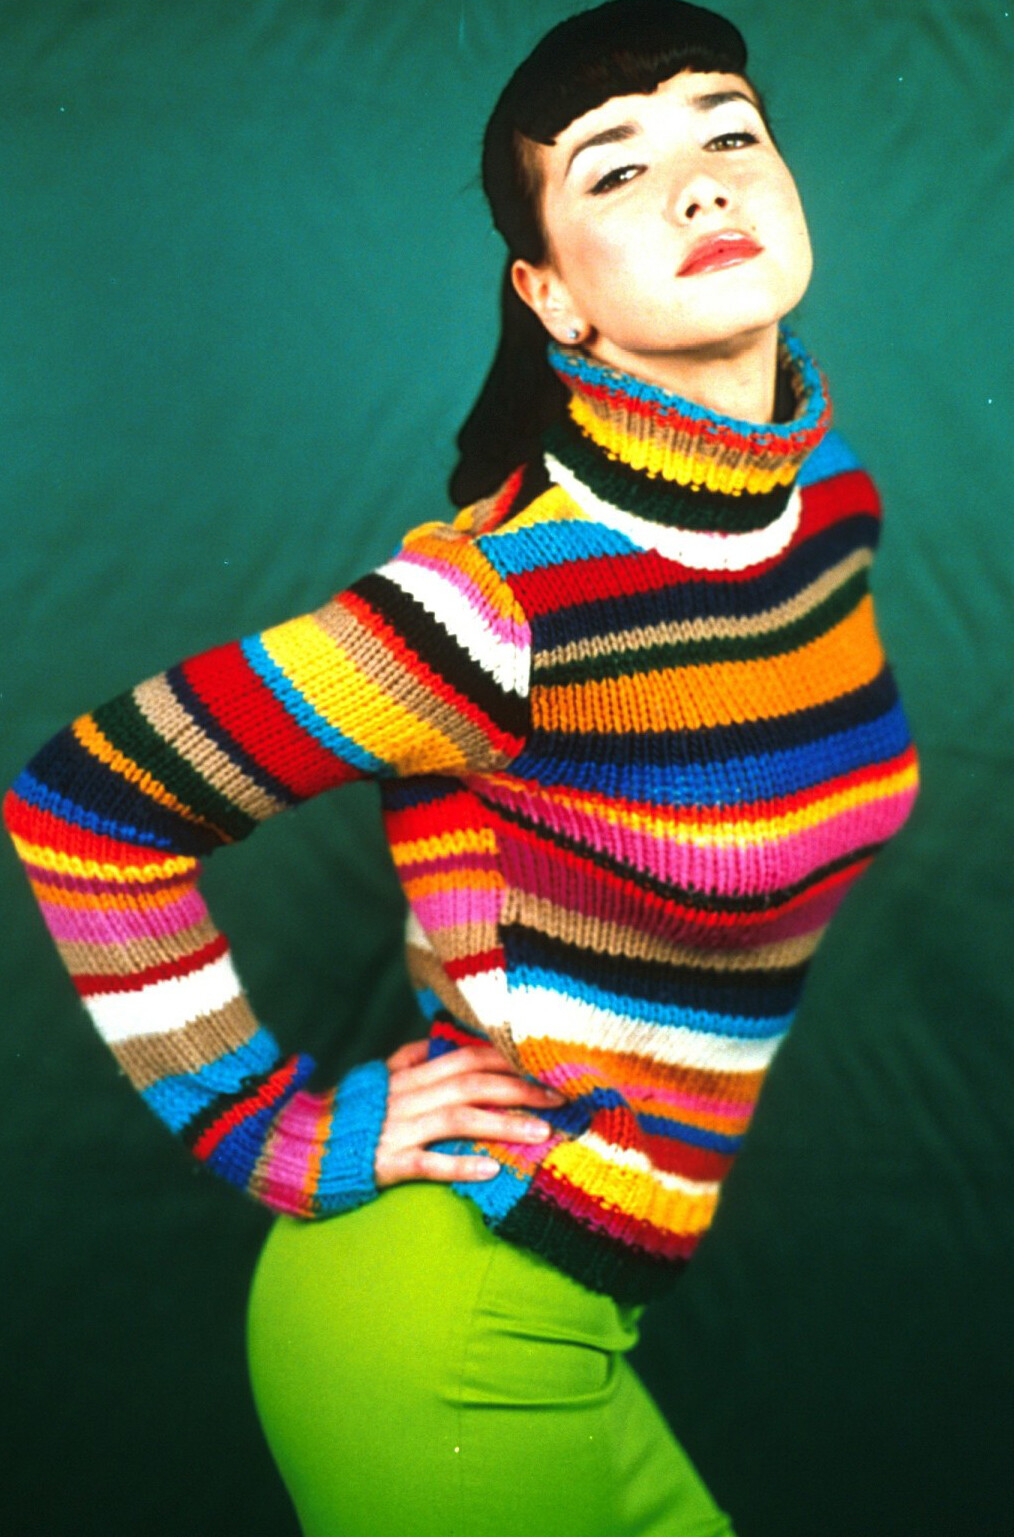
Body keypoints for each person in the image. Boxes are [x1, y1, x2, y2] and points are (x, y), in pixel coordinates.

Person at [3, 2, 920, 1533]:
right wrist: (268, 1123)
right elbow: (80, 807)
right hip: (440, 1318)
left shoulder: (826, 510)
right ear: (548, 294)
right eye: (615, 169)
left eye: (728, 130)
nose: (699, 181)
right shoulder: (491, 604)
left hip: (586, 1310)